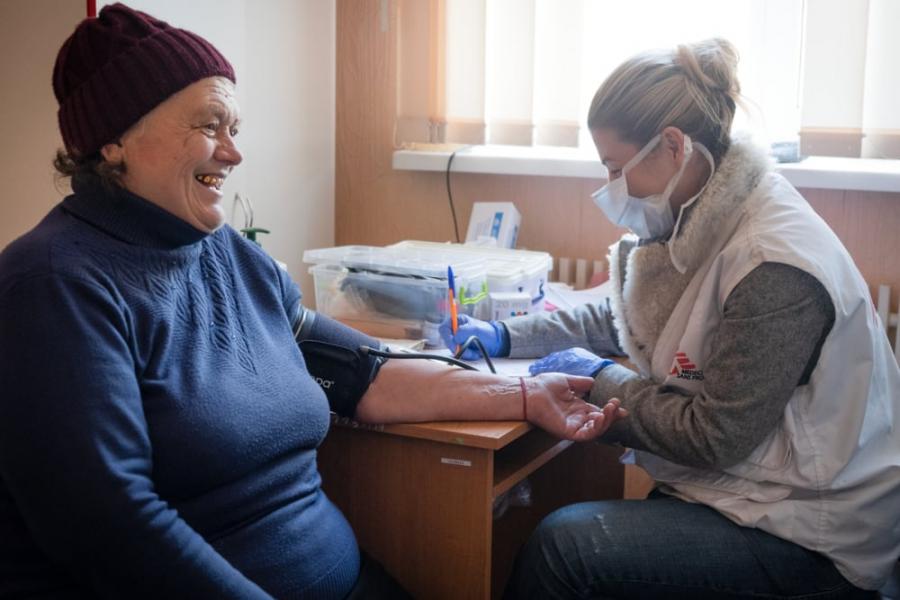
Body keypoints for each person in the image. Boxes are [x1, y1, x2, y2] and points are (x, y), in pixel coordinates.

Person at [0, 4, 627, 598]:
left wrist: (523, 394)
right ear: (113, 141)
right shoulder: (54, 284)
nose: (234, 150)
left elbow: (365, 373)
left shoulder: (231, 257)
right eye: (208, 124)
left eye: (234, 128)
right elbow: (108, 528)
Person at [441, 38, 900, 599]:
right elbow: (628, 314)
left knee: (565, 547)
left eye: (614, 167)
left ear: (673, 146)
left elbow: (714, 436)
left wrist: (599, 378)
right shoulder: (697, 212)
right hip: (753, 493)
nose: (611, 187)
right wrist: (508, 333)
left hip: (814, 532)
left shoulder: (773, 264)